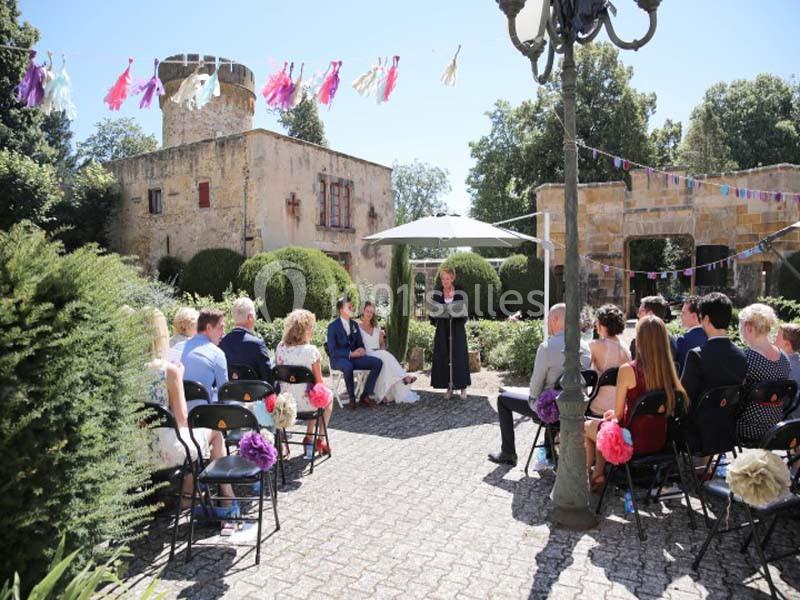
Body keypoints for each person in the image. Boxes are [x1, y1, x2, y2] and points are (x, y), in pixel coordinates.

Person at [144, 308, 235, 513]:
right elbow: (183, 420)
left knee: (192, 435)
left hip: (138, 449)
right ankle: (225, 497)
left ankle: (188, 494)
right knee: (213, 432)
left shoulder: (131, 370)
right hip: (166, 448)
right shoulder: (169, 370)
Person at [585, 315, 686, 491]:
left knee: (587, 426)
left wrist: (611, 415)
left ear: (639, 340)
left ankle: (590, 477)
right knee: (604, 426)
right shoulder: (671, 371)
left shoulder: (628, 370)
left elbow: (618, 415)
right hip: (659, 441)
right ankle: (599, 475)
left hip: (631, 442)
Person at [488, 304, 591, 466]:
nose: (547, 323)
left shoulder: (547, 347)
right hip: (577, 409)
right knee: (552, 392)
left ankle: (508, 453)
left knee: (503, 400)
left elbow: (534, 389)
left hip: (553, 411)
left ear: (555, 319)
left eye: (548, 319)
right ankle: (549, 451)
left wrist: (535, 400)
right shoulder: (585, 347)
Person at [275, 309, 333, 455]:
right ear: (305, 330)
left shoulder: (280, 348)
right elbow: (319, 383)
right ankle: (317, 438)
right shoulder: (311, 351)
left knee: (309, 391)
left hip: (285, 404)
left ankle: (293, 440)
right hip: (307, 406)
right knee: (323, 396)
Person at [737, 303, 791, 444]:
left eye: (741, 327)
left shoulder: (747, 357)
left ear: (749, 327)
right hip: (774, 426)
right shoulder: (784, 357)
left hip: (747, 427)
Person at [680, 292, 747, 405]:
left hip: (698, 421)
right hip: (729, 420)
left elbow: (684, 397)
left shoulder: (697, 355)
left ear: (706, 319)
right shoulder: (741, 355)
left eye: (701, 317)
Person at [358, 301, 419, 404]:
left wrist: (382, 348)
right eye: (367, 311)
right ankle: (404, 377)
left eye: (371, 312)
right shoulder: (358, 328)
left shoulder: (377, 328)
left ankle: (383, 395)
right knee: (385, 356)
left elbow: (382, 344)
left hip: (379, 353)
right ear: (363, 312)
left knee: (385, 362)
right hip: (367, 354)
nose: (369, 314)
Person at [327, 297, 382, 409]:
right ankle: (352, 397)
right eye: (349, 307)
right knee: (348, 365)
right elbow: (333, 350)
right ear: (341, 309)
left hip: (354, 358)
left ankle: (365, 395)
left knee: (378, 363)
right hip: (338, 359)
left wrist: (361, 349)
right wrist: (350, 354)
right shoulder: (332, 327)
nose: (352, 308)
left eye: (352, 306)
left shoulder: (354, 325)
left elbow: (360, 343)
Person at [430, 266, 471, 400]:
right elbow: (433, 313)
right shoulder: (438, 293)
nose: (444, 281)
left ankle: (462, 387)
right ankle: (449, 387)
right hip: (442, 329)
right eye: (443, 278)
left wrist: (456, 314)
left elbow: (464, 311)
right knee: (445, 357)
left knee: (458, 357)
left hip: (457, 329)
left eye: (447, 278)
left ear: (452, 278)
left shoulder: (460, 293)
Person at [587, 304, 630, 417]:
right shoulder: (626, 349)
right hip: (621, 408)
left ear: (601, 325)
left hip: (599, 407)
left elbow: (583, 372)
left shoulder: (594, 346)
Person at [219, 297, 274, 384]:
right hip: (254, 395)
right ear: (250, 317)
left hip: (228, 394)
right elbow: (268, 378)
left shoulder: (221, 342)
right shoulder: (257, 344)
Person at [180, 308, 228, 401]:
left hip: (173, 414)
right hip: (202, 414)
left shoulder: (176, 348)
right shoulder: (217, 354)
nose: (223, 333)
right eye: (221, 327)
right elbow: (225, 395)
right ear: (209, 327)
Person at [629, 295, 678, 361]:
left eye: (640, 311)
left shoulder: (638, 343)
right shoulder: (672, 341)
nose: (638, 315)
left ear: (650, 314)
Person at [675, 295, 708, 372]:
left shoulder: (683, 340)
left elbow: (680, 370)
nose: (681, 315)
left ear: (694, 316)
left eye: (683, 313)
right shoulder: (711, 336)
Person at [776, 322, 800, 417]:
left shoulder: (782, 367)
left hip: (784, 424)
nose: (772, 341)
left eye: (776, 337)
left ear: (787, 344)